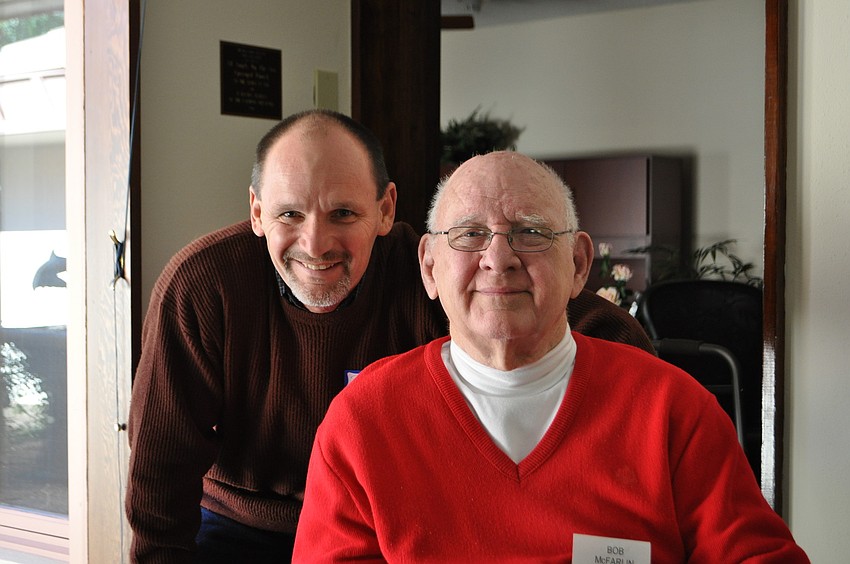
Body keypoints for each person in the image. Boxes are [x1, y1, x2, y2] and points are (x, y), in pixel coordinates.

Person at [125, 110, 654, 563]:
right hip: (242, 526)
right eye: (290, 213)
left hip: (390, 523)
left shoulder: (430, 273)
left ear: (385, 210)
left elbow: (562, 309)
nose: (316, 243)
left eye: (343, 213)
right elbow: (159, 477)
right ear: (258, 212)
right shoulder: (202, 285)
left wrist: (651, 401)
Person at [292, 151, 809, 562]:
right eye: (470, 235)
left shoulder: (672, 408)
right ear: (429, 266)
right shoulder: (362, 422)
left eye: (531, 233)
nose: (498, 258)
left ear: (580, 264)